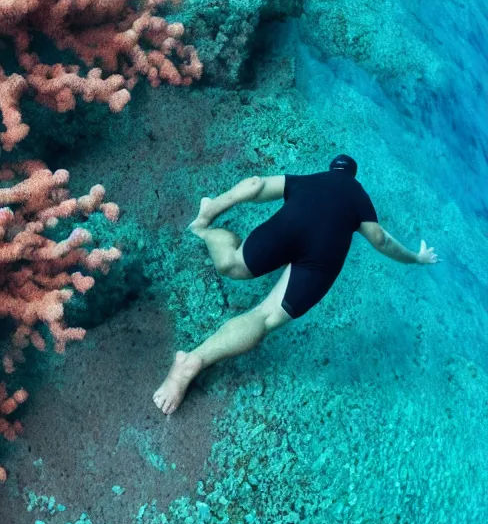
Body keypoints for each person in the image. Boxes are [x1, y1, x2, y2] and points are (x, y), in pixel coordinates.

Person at [153, 154, 439, 415]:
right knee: (264, 318)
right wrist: (416, 258)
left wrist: (211, 208)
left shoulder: (310, 179)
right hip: (319, 261)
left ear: (331, 168)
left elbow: (256, 184)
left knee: (231, 264)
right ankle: (194, 360)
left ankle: (205, 232)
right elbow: (379, 239)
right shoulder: (358, 194)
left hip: (288, 229)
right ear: (353, 175)